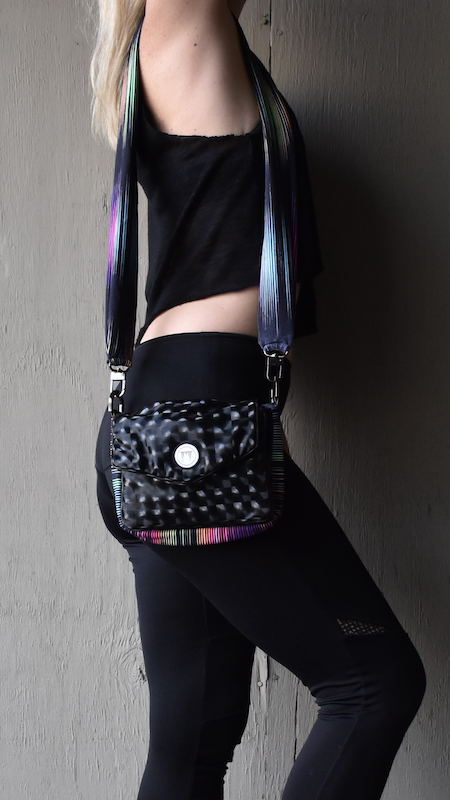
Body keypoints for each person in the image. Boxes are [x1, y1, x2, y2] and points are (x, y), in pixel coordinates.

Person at [92, 2, 426, 798]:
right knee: (374, 685)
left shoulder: (174, 39)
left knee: (192, 739)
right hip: (198, 427)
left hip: (163, 429)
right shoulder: (186, 18)